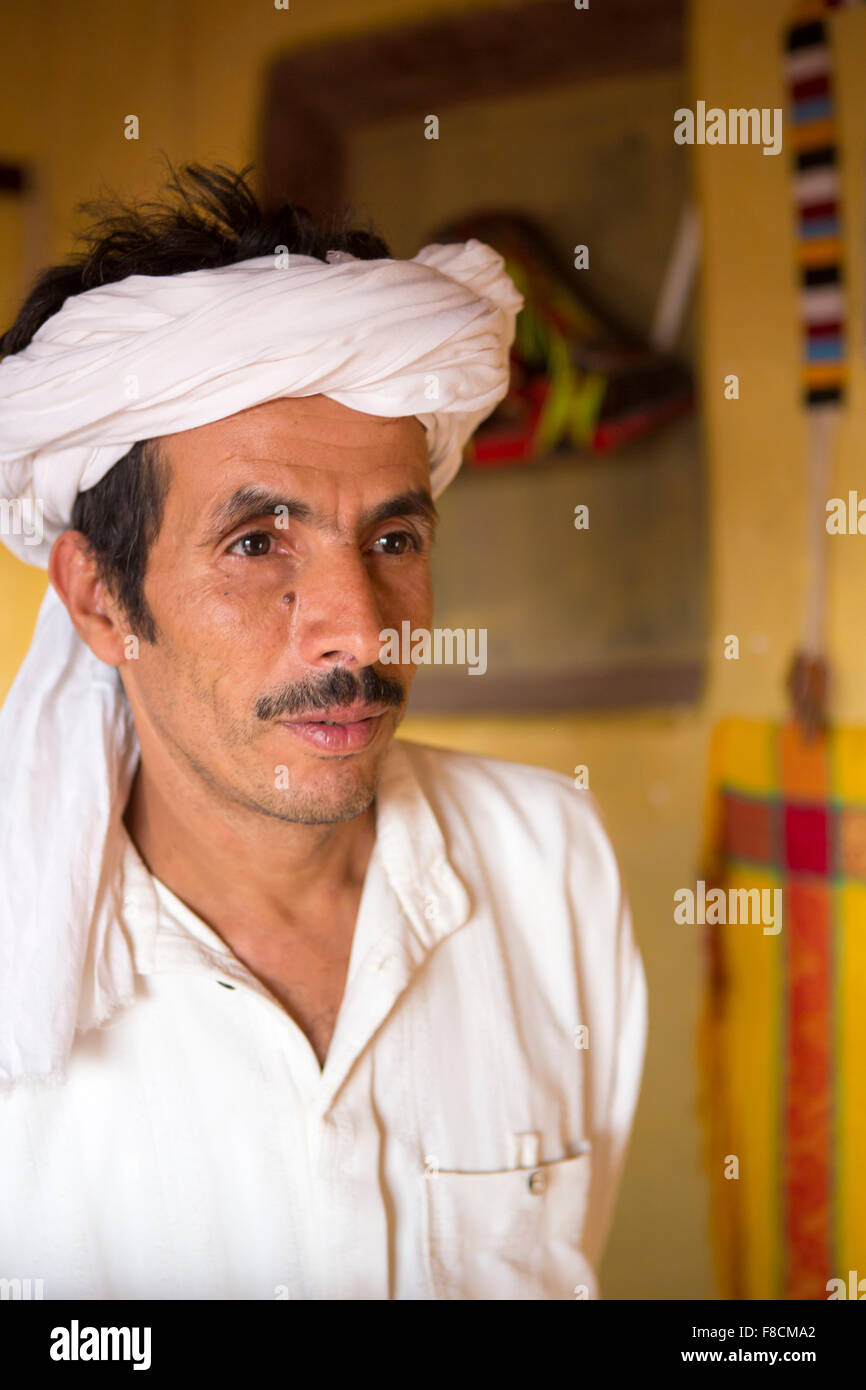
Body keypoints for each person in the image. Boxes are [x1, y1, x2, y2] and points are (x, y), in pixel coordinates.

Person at [0, 163, 646, 1300]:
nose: (357, 629)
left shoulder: (550, 863)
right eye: (257, 545)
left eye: (393, 540)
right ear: (100, 599)